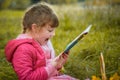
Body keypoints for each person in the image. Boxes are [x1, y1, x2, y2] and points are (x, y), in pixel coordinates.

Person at [5, 2, 78, 80]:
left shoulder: (41, 42)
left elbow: (43, 64)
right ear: (35, 28)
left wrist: (58, 63)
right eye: (50, 30)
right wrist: (52, 66)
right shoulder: (23, 49)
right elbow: (27, 77)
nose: (53, 34)